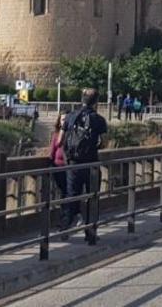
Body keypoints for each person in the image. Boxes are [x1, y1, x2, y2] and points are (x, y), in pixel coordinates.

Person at [59, 88, 108, 242]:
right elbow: (105, 143)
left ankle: (64, 228)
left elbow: (60, 140)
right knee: (92, 197)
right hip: (91, 164)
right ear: (96, 102)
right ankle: (90, 233)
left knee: (71, 195)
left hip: (73, 164)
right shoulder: (99, 120)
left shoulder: (71, 116)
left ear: (82, 99)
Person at [48, 111, 68, 198]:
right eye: (63, 119)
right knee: (63, 191)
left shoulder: (75, 135)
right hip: (59, 167)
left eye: (67, 119)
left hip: (71, 167)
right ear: (59, 122)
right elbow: (52, 152)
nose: (65, 122)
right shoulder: (56, 135)